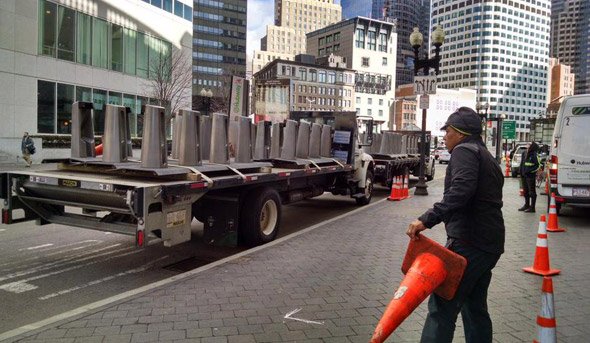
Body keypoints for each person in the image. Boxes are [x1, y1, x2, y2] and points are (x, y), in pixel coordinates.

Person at [406, 107, 505, 343]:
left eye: (448, 130)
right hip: (489, 244)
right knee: (474, 306)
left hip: (470, 242)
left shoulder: (464, 151)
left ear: (459, 133)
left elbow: (462, 191)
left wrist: (426, 219)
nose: (445, 135)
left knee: (442, 305)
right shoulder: (486, 155)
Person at [518, 141, 541, 212]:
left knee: (532, 192)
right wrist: (520, 171)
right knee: (525, 191)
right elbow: (522, 163)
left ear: (532, 146)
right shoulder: (524, 153)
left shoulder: (534, 154)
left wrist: (530, 171)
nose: (527, 145)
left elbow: (538, 165)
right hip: (523, 175)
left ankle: (532, 207)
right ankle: (526, 205)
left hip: (530, 176)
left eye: (529, 144)